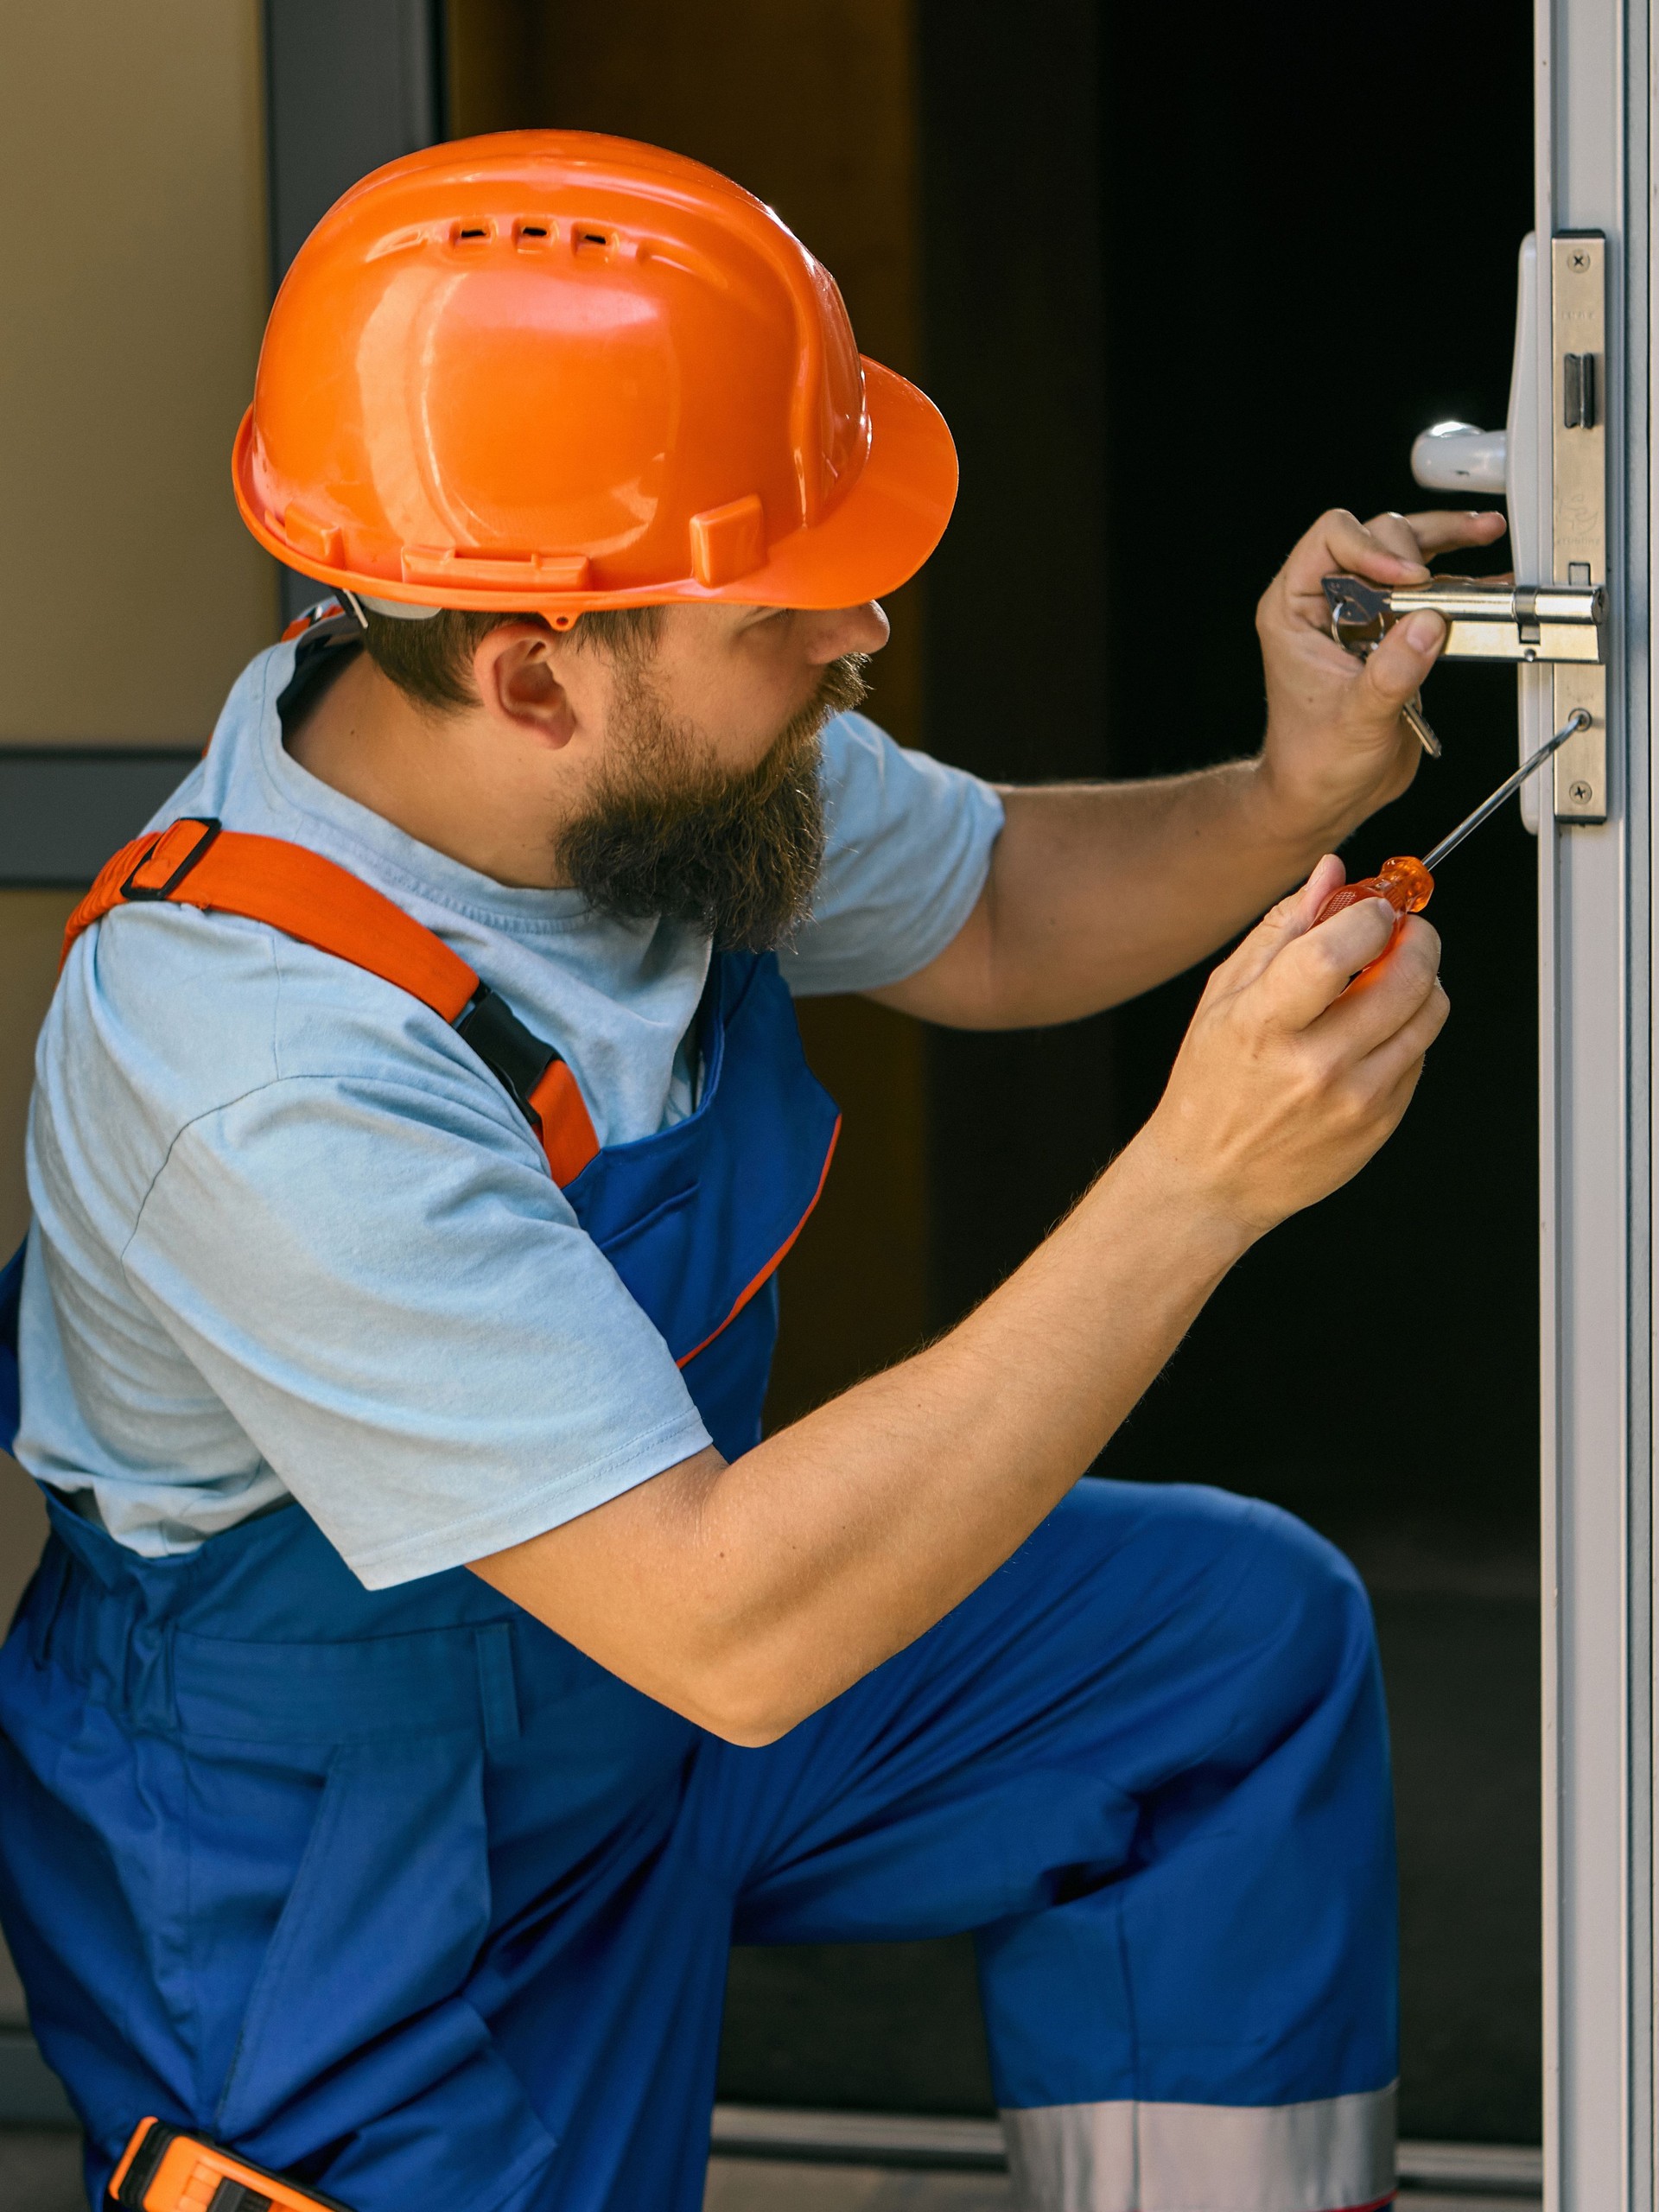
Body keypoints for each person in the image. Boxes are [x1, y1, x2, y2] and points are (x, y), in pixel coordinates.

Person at [0, 132, 1497, 2212]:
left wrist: (1283, 790)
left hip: (649, 1703)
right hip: (351, 1912)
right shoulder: (259, 1072)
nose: (861, 626)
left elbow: (985, 907)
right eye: (788, 605)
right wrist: (1201, 1182)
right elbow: (730, 1621)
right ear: (536, 673)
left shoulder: (659, 782)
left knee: (1221, 1654)